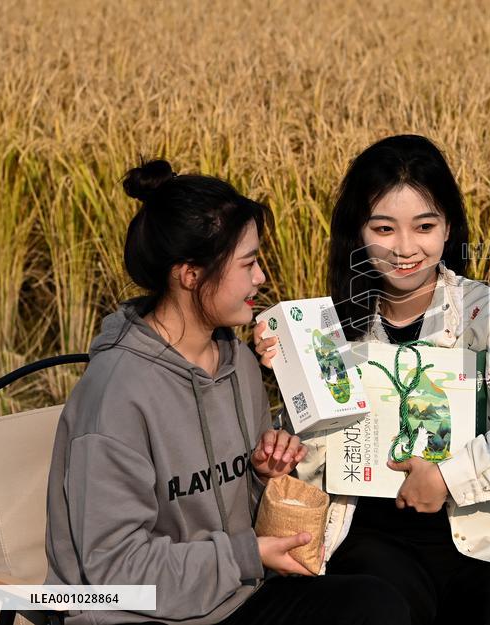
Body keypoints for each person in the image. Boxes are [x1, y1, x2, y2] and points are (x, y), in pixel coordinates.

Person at [44, 159, 411, 625]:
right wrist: (243, 556)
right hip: (138, 615)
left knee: (376, 604)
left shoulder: (237, 361)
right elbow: (114, 571)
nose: (260, 277)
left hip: (236, 598)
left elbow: (234, 506)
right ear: (190, 274)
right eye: (249, 262)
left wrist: (262, 473)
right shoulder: (116, 393)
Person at [254, 135, 490, 625]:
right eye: (384, 228)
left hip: (486, 540)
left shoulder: (487, 315)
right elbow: (317, 454)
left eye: (424, 226)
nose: (405, 249)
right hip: (369, 542)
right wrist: (282, 379)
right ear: (357, 233)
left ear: (449, 228)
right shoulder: (326, 327)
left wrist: (448, 477)